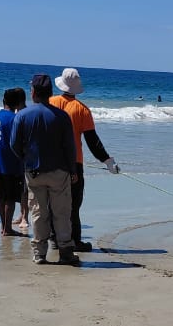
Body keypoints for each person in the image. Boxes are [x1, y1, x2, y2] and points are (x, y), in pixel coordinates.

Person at [9, 73, 80, 266]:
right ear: (49, 93)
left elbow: (14, 144)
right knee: (62, 212)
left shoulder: (22, 116)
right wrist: (72, 169)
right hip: (59, 171)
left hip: (34, 171)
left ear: (33, 93)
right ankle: (65, 250)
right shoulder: (62, 116)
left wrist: (25, 159)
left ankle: (39, 253)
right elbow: (69, 146)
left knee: (38, 212)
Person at [52, 67, 119, 252]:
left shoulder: (49, 102)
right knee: (73, 204)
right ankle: (74, 240)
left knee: (54, 201)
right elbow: (92, 141)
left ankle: (53, 238)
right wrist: (107, 161)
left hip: (51, 161)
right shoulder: (82, 110)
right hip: (74, 162)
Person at [0, 87, 27, 236]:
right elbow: (18, 142)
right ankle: (8, 229)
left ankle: (3, 226)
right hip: (11, 165)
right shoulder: (14, 119)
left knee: (1, 197)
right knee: (10, 199)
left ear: (3, 101)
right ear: (18, 103)